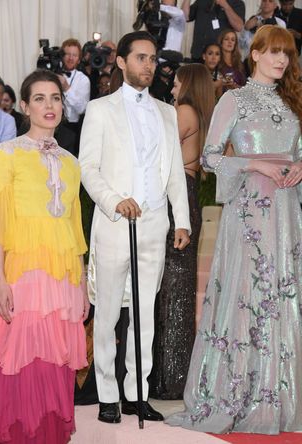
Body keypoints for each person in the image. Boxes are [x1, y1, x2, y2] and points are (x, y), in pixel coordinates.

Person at [165, 25, 302, 434]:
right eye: (274, 52)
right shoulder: (234, 99)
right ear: (254, 53)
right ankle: (239, 392)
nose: (281, 60)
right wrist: (254, 163)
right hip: (250, 215)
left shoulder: (295, 101)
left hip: (287, 212)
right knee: (248, 294)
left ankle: (281, 395)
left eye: (287, 54)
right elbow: (209, 157)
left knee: (285, 294)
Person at [79, 30, 191, 424]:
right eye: (141, 57)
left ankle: (137, 394)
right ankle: (108, 395)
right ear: (122, 62)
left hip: (155, 224)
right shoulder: (100, 109)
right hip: (114, 224)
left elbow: (175, 171)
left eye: (152, 58)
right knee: (108, 312)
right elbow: (88, 168)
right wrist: (113, 200)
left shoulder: (167, 112)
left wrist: (183, 220)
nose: (148, 65)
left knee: (145, 312)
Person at [0, 69, 88, 443]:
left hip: (62, 278)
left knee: (53, 359)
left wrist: (82, 284)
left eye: (56, 98)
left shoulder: (71, 162)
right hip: (23, 271)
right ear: (24, 106)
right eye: (39, 99)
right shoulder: (7, 154)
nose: (49, 106)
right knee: (20, 358)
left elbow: (74, 229)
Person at [150, 63, 215, 400]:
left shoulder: (184, 111)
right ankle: (175, 376)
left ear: (187, 84)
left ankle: (170, 378)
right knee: (179, 287)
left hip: (178, 197)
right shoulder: (204, 114)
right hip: (188, 195)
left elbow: (159, 153)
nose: (172, 90)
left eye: (175, 84)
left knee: (173, 290)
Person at [59, 38, 91, 156]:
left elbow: (82, 108)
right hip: (52, 125)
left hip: (72, 128)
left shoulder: (83, 79)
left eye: (74, 55)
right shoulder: (51, 75)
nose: (70, 58)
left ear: (79, 59)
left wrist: (66, 88)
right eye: (67, 54)